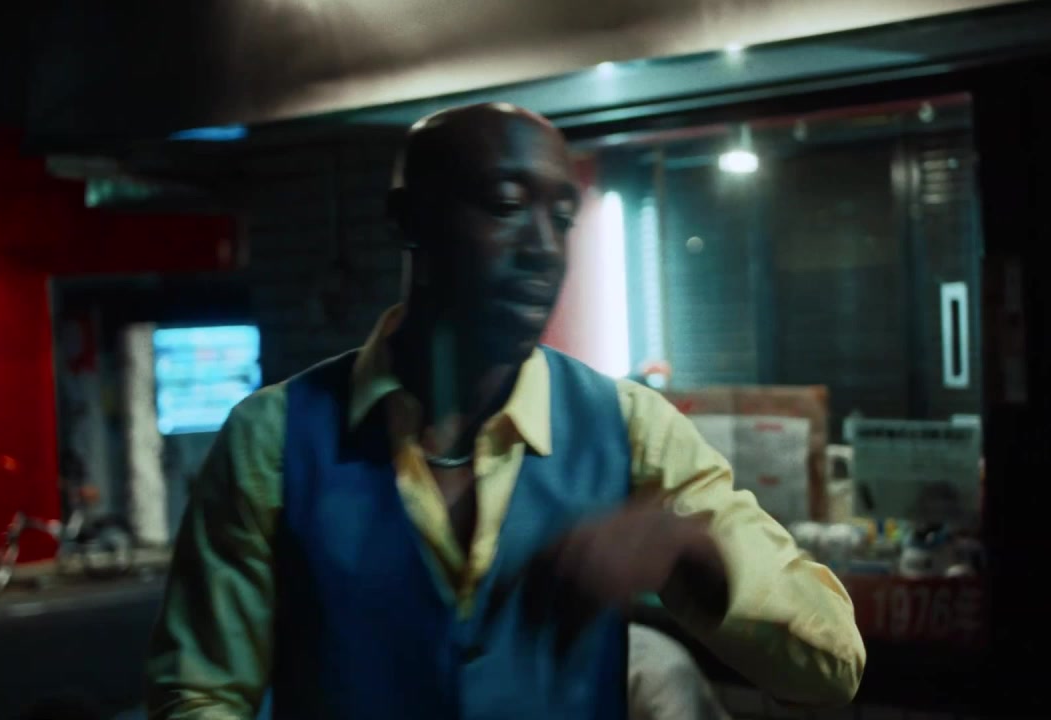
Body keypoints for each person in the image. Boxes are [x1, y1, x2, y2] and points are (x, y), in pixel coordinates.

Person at [145, 102, 865, 720]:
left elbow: (833, 665)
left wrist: (695, 555)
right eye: (505, 205)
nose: (544, 249)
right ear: (409, 220)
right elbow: (200, 695)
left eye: (563, 217)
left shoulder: (631, 429)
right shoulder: (274, 440)